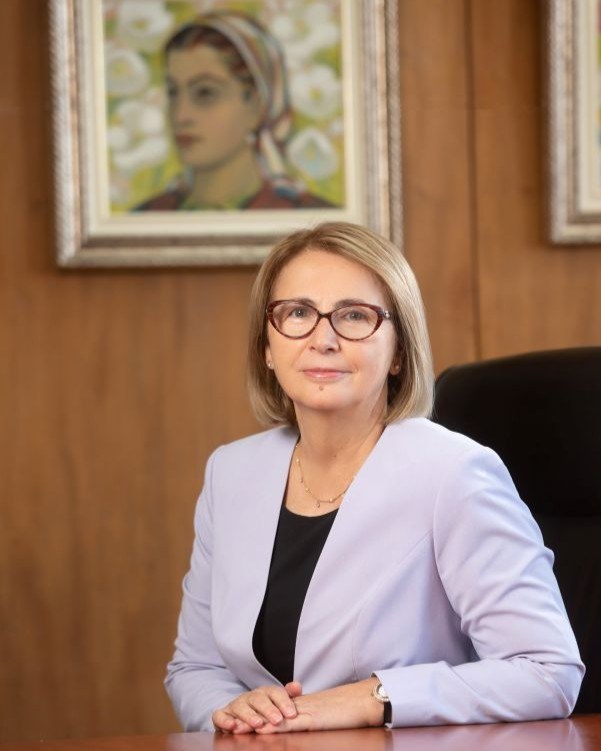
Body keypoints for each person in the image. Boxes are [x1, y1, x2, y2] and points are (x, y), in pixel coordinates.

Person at [165, 222, 584, 733]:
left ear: (399, 352)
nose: (323, 339)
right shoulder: (231, 473)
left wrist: (373, 698)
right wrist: (235, 711)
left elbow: (547, 670)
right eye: (297, 313)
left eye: (354, 316)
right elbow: (195, 668)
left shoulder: (452, 473)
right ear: (267, 348)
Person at [137, 12, 335, 211]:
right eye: (173, 93)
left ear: (257, 105)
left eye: (205, 93)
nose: (180, 116)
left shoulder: (308, 215)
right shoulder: (149, 214)